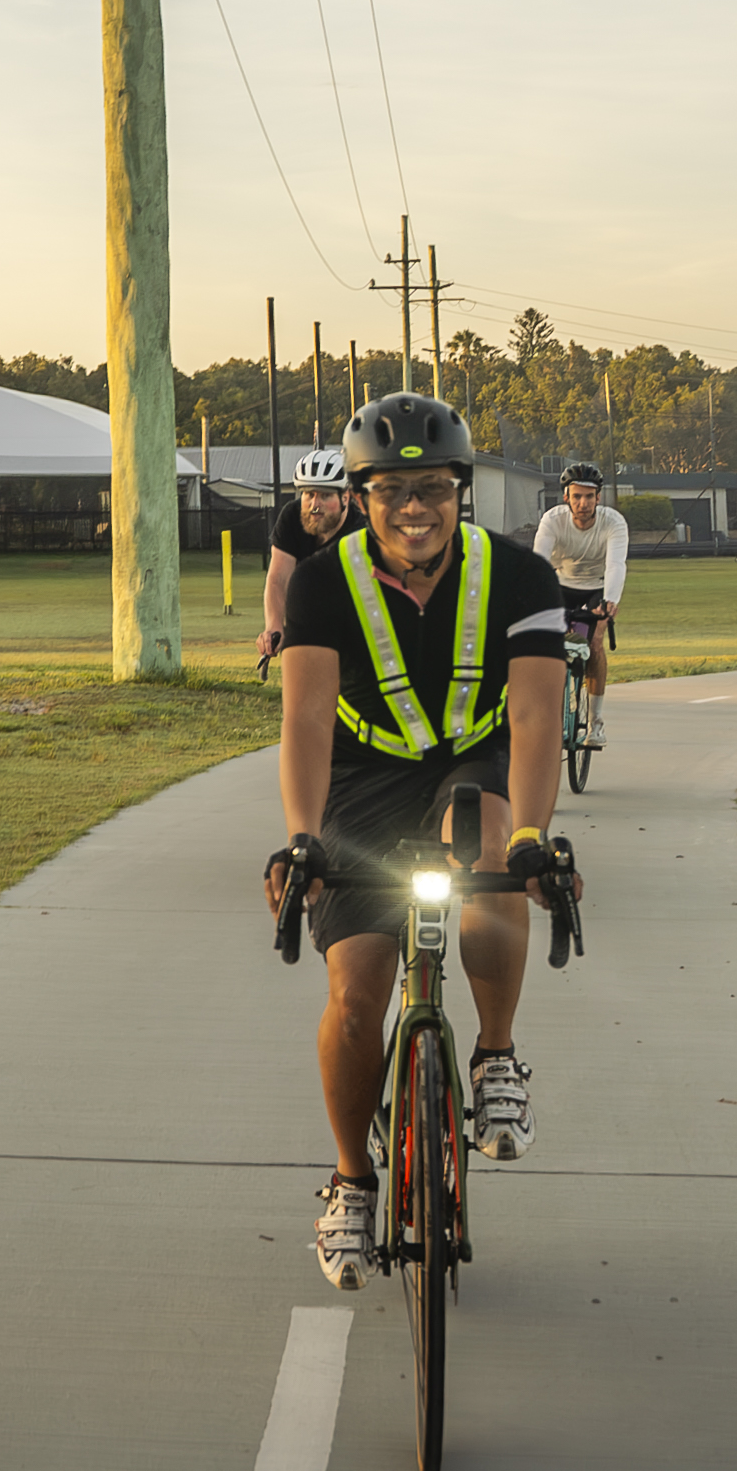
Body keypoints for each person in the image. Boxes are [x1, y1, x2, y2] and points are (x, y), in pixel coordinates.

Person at [262, 392, 575, 1289]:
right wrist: (300, 839)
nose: (413, 507)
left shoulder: (520, 575)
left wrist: (532, 837)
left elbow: (535, 717)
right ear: (359, 497)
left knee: (491, 849)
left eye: (432, 487)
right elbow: (306, 720)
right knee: (356, 991)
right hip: (362, 774)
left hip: (474, 757)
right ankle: (351, 1182)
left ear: (459, 490)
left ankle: (495, 1054)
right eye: (391, 490)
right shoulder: (322, 582)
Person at [530, 461, 627, 711]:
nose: (583, 503)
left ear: (598, 498)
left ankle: (596, 720)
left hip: (597, 587)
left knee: (594, 644)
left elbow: (615, 564)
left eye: (589, 496)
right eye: (576, 496)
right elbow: (539, 561)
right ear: (566, 497)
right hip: (560, 584)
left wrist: (610, 601)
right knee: (547, 643)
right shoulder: (552, 520)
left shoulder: (613, 522)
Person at [255, 447, 355, 674]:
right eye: (309, 495)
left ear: (345, 497)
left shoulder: (360, 531)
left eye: (325, 495)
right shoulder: (292, 517)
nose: (314, 505)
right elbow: (278, 578)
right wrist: (274, 627)